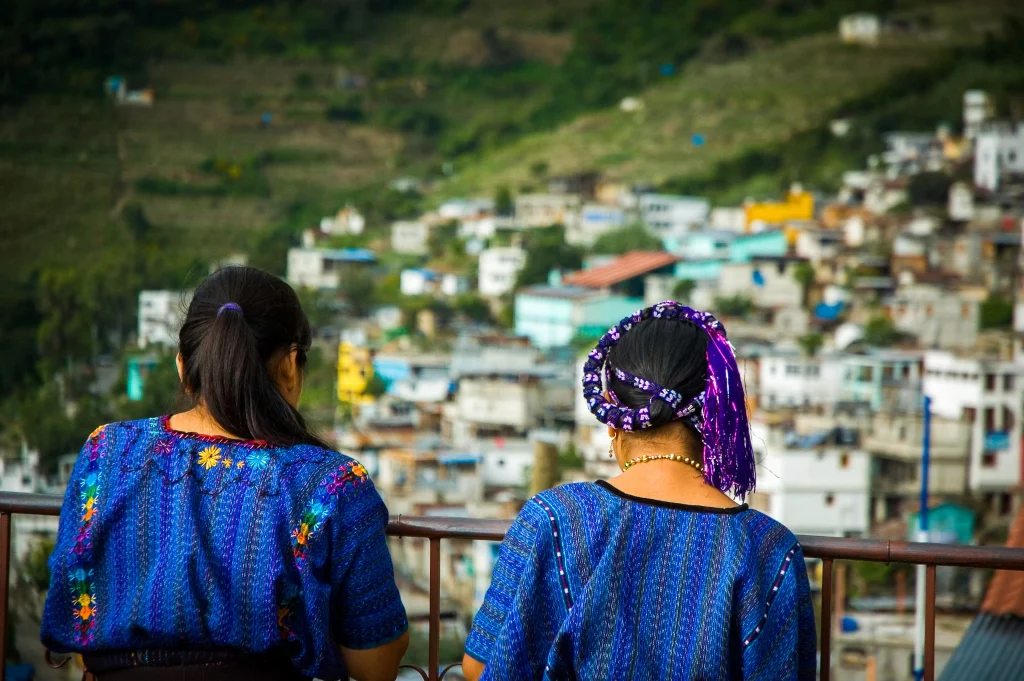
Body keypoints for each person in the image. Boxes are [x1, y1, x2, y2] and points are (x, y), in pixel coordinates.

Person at [41, 266, 409, 681]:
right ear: (290, 366)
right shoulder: (331, 483)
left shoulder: (106, 451)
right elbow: (376, 664)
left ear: (184, 367)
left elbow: (69, 601)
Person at [462, 302, 816, 681]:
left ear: (613, 417)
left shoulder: (554, 517)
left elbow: (480, 666)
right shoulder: (768, 549)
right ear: (717, 415)